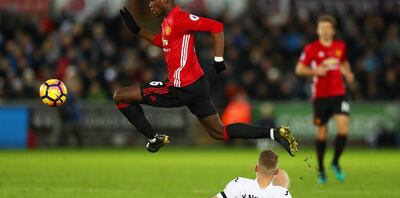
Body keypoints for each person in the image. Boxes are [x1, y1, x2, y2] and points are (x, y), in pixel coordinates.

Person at [113, 0, 298, 155]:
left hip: (180, 87)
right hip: (197, 85)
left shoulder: (180, 18)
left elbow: (216, 26)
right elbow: (164, 41)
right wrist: (138, 30)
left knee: (120, 96)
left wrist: (218, 59)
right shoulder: (168, 22)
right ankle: (275, 133)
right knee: (219, 132)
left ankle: (154, 139)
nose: (150, 5)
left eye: (153, 0)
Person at [171, 150, 350, 198]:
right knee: (283, 179)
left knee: (229, 197)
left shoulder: (239, 183)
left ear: (256, 167)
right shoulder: (282, 194)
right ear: (275, 171)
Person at [295, 15, 354, 184]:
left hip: (339, 93)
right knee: (322, 133)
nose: (325, 30)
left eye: (328, 28)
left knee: (343, 128)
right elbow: (299, 69)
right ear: (318, 30)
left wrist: (347, 73)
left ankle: (335, 162)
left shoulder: (340, 46)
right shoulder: (311, 48)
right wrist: (315, 72)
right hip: (320, 96)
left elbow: (343, 62)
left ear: (333, 31)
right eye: (322, 28)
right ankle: (321, 168)